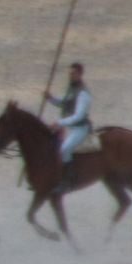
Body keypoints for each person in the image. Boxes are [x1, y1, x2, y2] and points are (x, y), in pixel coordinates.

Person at [46, 62, 93, 194]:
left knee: (65, 149)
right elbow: (64, 103)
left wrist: (59, 122)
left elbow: (78, 116)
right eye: (69, 74)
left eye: (73, 74)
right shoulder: (72, 88)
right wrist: (50, 98)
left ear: (80, 74)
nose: (70, 76)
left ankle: (68, 180)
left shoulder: (83, 93)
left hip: (80, 129)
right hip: (71, 128)